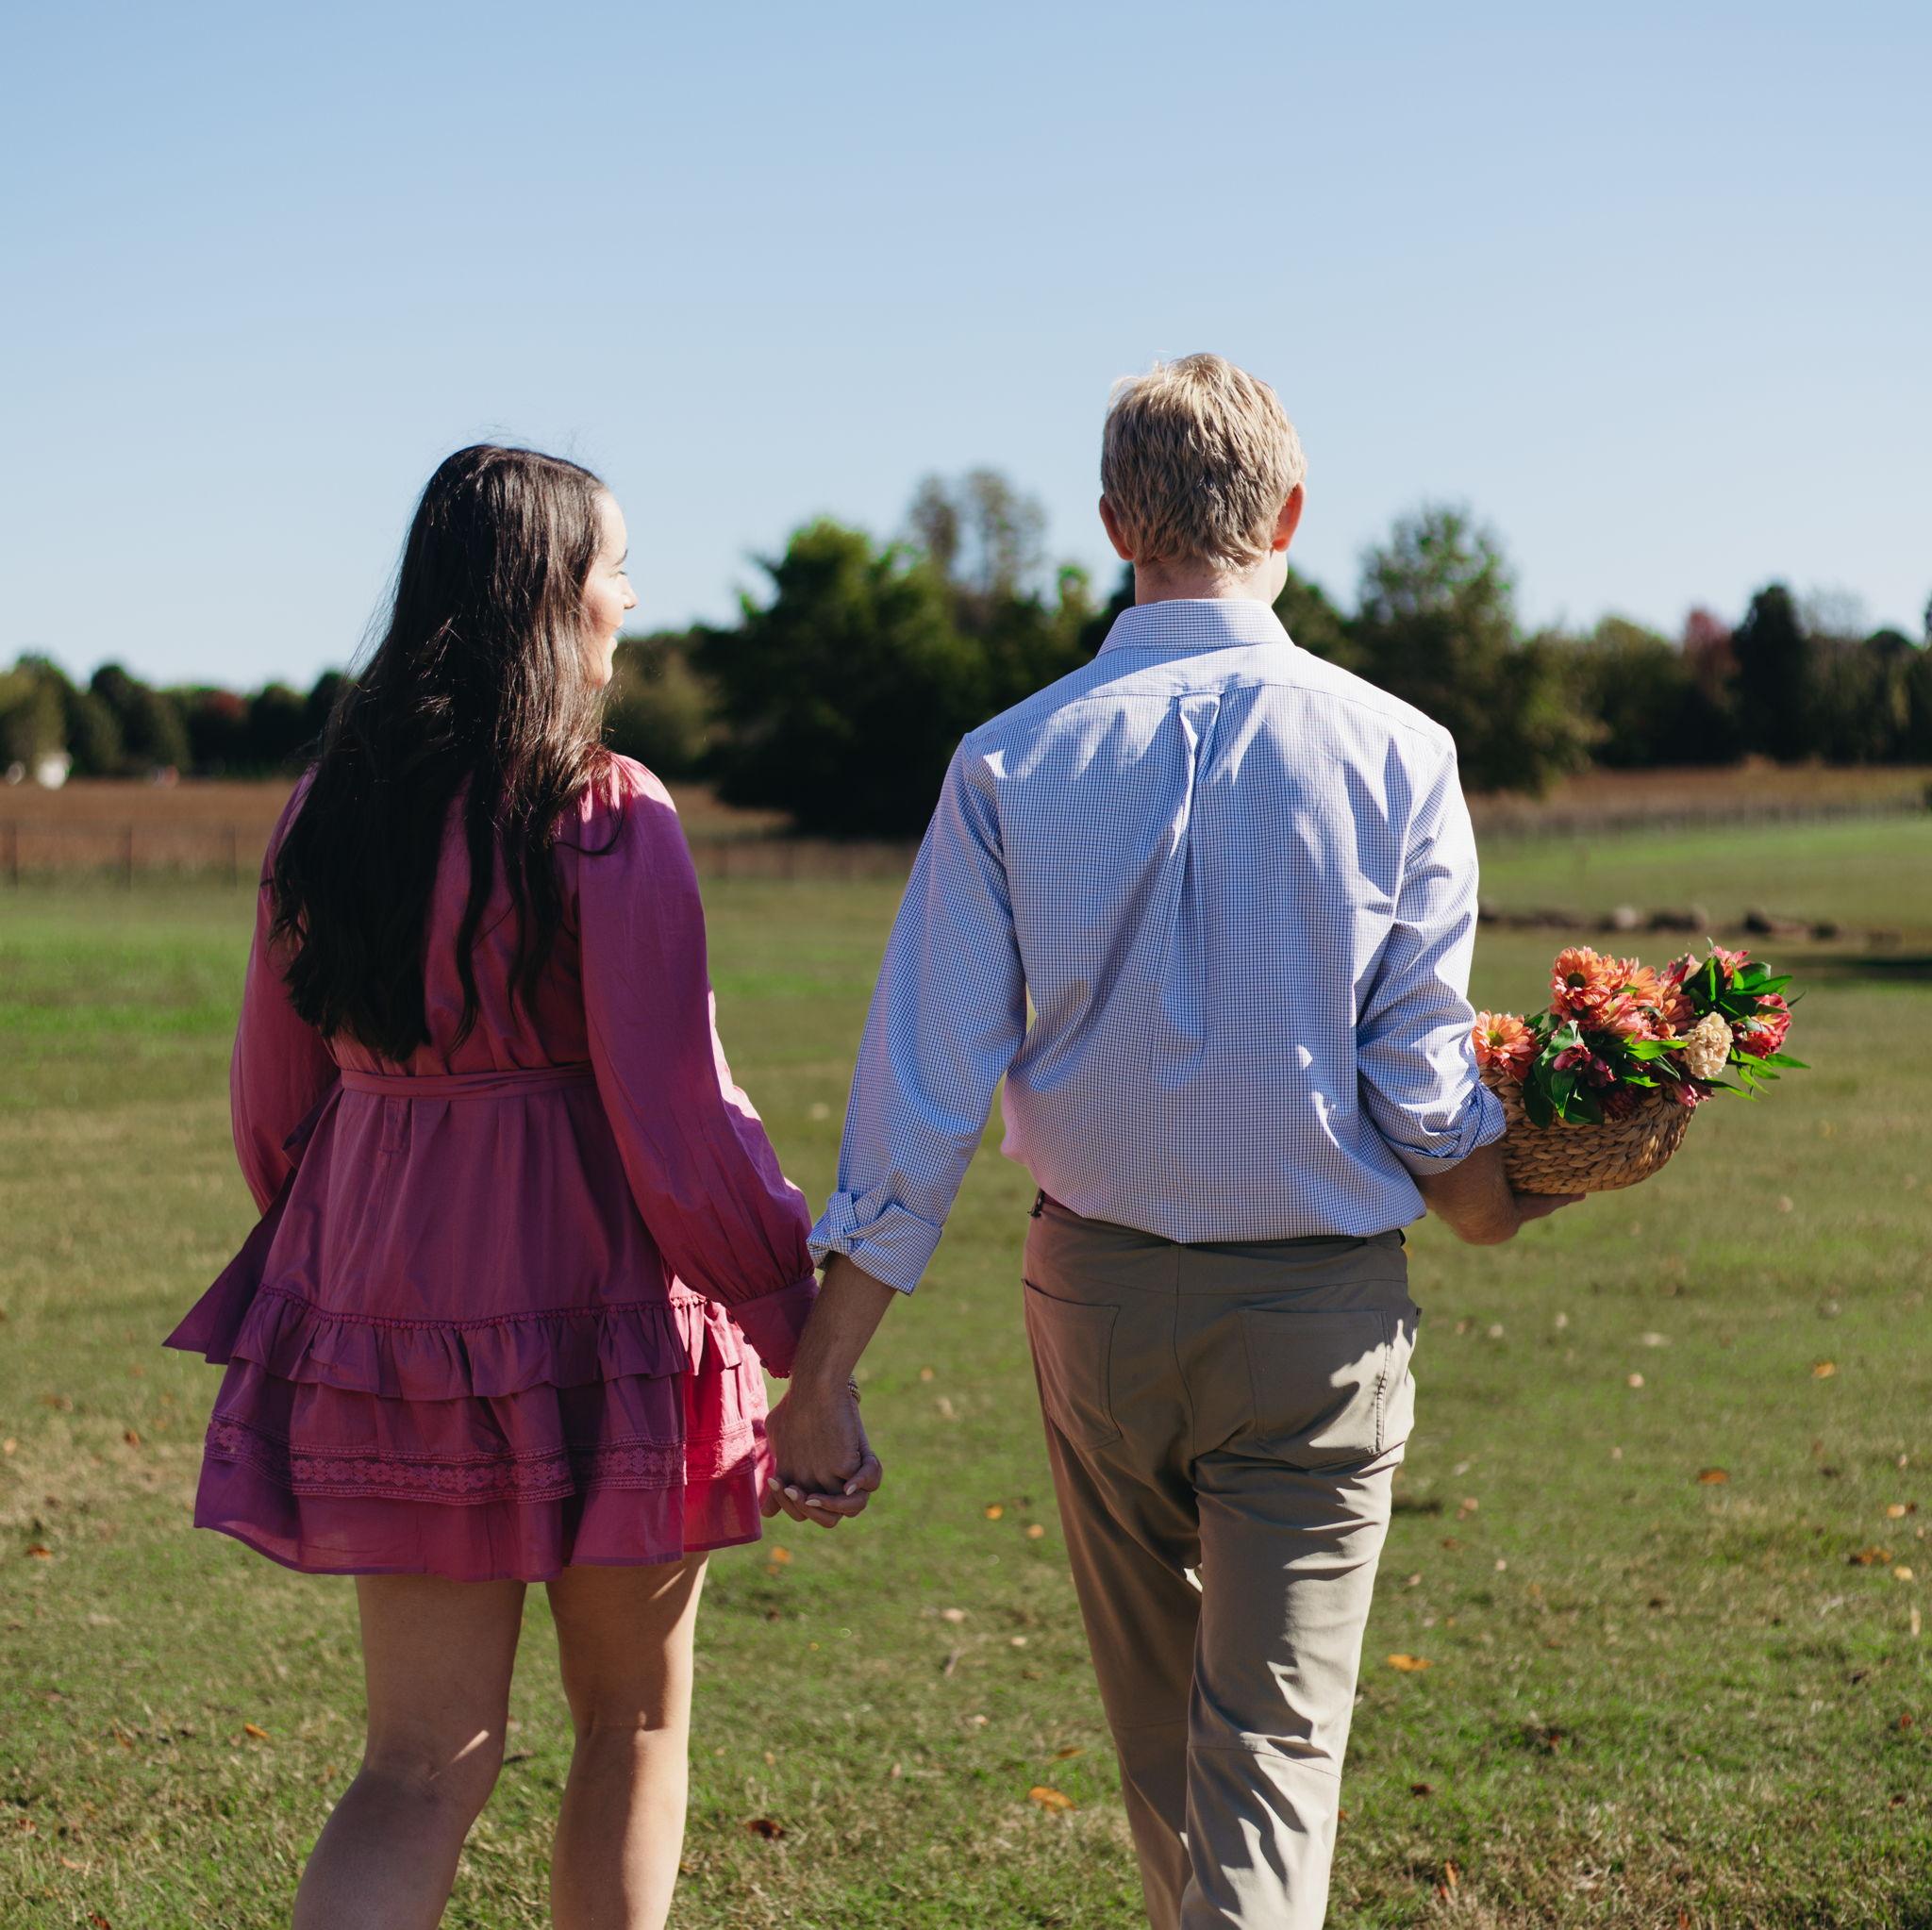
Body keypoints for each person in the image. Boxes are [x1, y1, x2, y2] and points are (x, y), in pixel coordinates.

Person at [768, 356, 1576, 1928]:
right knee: (1266, 1760)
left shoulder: (1009, 757)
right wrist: (1515, 1187)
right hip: (1318, 1314)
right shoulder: (1399, 750)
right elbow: (1422, 1083)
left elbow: (923, 1089)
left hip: (1096, 1302)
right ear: (1288, 513)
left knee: (1163, 1748)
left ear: (1113, 523)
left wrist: (826, 1372)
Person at [165, 444, 866, 1930]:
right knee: (635, 1723)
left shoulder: (325, 812)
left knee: (415, 1762)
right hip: (600, 1305)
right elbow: (676, 1118)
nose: (632, 595)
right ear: (553, 597)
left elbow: (272, 1111)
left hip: (383, 1306)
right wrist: (789, 1318)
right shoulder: (601, 809)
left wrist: (354, 1254)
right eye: (615, 565)